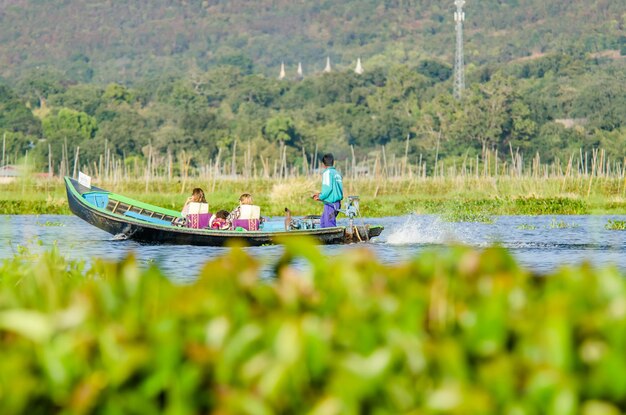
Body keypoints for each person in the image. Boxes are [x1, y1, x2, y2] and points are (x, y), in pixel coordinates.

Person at [313, 153, 343, 228]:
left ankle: (333, 239)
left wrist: (320, 197)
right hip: (337, 204)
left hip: (330, 205)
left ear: (323, 164)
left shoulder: (327, 173)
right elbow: (335, 189)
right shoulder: (337, 173)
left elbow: (328, 189)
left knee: (329, 224)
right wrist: (320, 194)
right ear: (333, 162)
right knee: (323, 222)